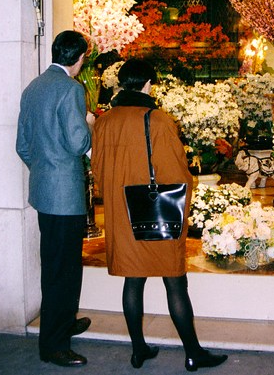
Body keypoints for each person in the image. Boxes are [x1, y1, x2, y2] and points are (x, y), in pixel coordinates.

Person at [91, 59, 228, 372]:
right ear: (148, 84)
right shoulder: (158, 120)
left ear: (121, 83)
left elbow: (97, 170)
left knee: (133, 282)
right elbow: (176, 173)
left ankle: (138, 349)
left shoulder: (105, 121)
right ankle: (193, 353)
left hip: (122, 213)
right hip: (157, 213)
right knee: (175, 284)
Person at [16, 30, 96, 367]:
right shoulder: (71, 89)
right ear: (79, 59)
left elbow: (22, 144)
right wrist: (89, 123)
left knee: (54, 264)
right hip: (65, 195)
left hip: (43, 191)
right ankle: (54, 345)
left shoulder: (33, 87)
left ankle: (61, 320)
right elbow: (79, 143)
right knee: (64, 269)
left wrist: (45, 169)